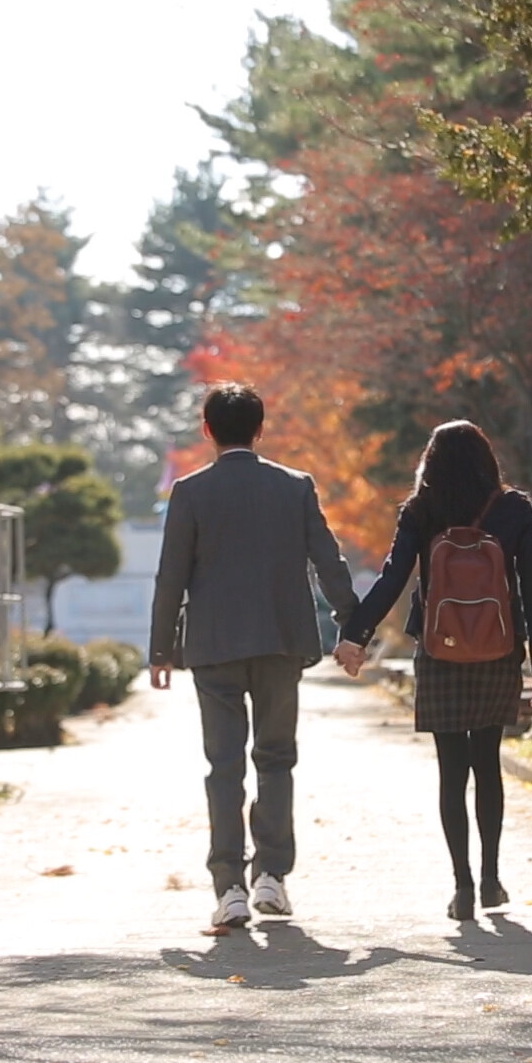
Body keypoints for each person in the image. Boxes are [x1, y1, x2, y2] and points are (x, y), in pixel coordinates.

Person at [148, 382, 360, 928]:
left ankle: (229, 887)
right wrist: (353, 626)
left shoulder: (190, 492)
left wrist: (161, 649)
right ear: (260, 429)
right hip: (281, 642)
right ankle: (272, 875)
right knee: (276, 758)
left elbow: (171, 575)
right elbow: (328, 560)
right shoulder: (294, 487)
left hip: (213, 644)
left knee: (223, 765)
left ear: (207, 430)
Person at [334, 421, 532, 921]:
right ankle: (492, 879)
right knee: (488, 764)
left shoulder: (421, 509)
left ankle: (463, 887)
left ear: (429, 463)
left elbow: (393, 577)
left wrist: (356, 636)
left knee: (452, 770)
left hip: (439, 650)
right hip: (499, 648)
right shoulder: (513, 508)